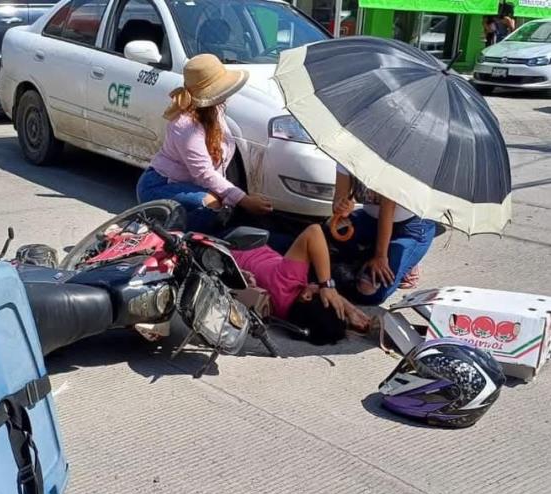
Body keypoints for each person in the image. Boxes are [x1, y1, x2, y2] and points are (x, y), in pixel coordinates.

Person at [136, 54, 273, 234]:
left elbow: (220, 166)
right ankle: (180, 241)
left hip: (191, 184)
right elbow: (204, 173)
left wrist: (233, 198)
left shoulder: (215, 111)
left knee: (223, 205)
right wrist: (243, 200)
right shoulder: (185, 126)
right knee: (211, 204)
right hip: (159, 185)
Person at [232, 224, 371, 344]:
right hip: (237, 260)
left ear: (307, 297)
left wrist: (327, 286)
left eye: (317, 291)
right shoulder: (284, 314)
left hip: (238, 241)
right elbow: (321, 319)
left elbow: (314, 231)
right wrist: (349, 309)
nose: (315, 285)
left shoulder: (288, 278)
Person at [329, 167, 436, 306]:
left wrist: (380, 256)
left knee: (370, 293)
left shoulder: (392, 163)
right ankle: (368, 257)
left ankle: (407, 263)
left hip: (409, 228)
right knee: (331, 232)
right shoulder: (347, 154)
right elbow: (338, 200)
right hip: (370, 219)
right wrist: (341, 206)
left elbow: (387, 212)